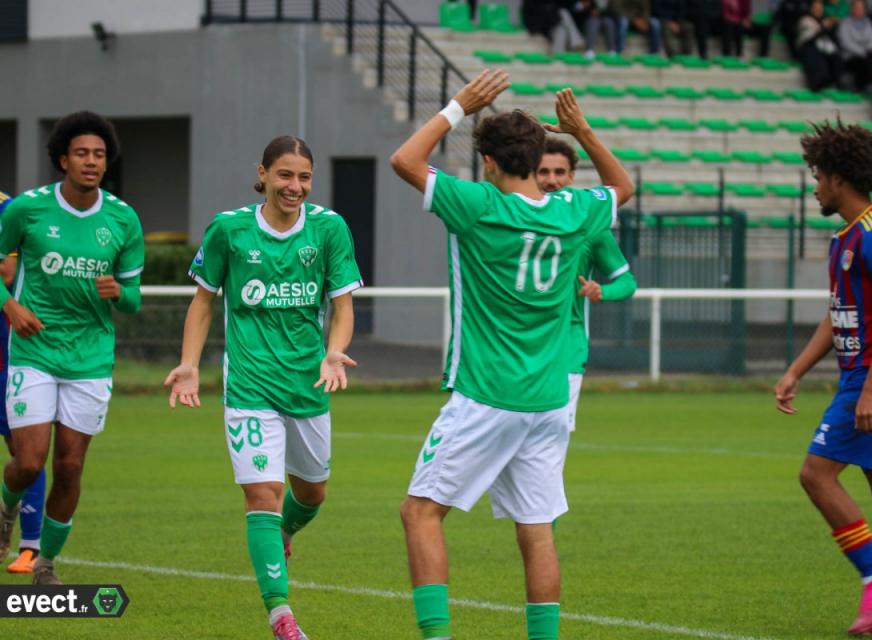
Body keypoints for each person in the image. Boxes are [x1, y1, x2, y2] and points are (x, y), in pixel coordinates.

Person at [390, 71, 634, 640]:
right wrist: (584, 132)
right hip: (551, 396)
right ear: (535, 160)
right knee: (537, 526)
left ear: (490, 165)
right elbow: (622, 186)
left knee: (420, 513)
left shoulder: (479, 205)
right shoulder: (573, 209)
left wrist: (457, 106)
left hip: (489, 394)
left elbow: (405, 160)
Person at [164, 136, 362, 640]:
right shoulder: (229, 229)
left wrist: (334, 351)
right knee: (263, 493)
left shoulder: (329, 229)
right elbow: (204, 301)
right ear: (264, 174)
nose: (294, 186)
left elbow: (342, 306)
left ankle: (287, 531)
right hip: (249, 385)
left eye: (303, 177)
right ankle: (281, 615)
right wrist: (189, 364)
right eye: (285, 175)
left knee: (311, 494)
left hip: (307, 383)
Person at [775, 120, 872, 637]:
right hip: (867, 375)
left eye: (818, 176)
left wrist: (869, 388)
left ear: (839, 178)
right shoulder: (846, 235)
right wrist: (797, 369)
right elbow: (839, 312)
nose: (815, 186)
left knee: (815, 475)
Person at [0, 111, 144, 585]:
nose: (91, 161)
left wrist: (118, 294)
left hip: (90, 359)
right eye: (82, 153)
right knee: (28, 461)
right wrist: (10, 306)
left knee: (70, 465)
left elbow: (134, 298)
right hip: (36, 350)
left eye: (99, 155)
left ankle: (45, 564)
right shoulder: (27, 209)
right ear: (63, 158)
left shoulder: (123, 219)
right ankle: (6, 509)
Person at [535, 139, 638, 434]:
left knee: (550, 441)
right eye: (543, 172)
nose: (551, 180)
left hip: (566, 345)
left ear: (571, 177)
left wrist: (602, 291)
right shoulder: (515, 217)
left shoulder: (590, 226)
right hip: (520, 346)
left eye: (559, 172)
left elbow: (627, 282)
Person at [0, 191, 47, 575]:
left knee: (25, 452)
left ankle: (30, 545)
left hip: (6, 353)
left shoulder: (8, 207)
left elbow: (7, 273)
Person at [797, 0, 844, 90]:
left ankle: (837, 82)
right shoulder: (805, 19)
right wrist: (824, 28)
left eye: (820, 8)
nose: (818, 10)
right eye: (815, 8)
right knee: (814, 54)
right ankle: (816, 83)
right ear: (811, 9)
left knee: (835, 55)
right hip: (807, 46)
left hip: (823, 45)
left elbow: (829, 35)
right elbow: (809, 37)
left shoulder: (826, 20)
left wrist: (831, 27)